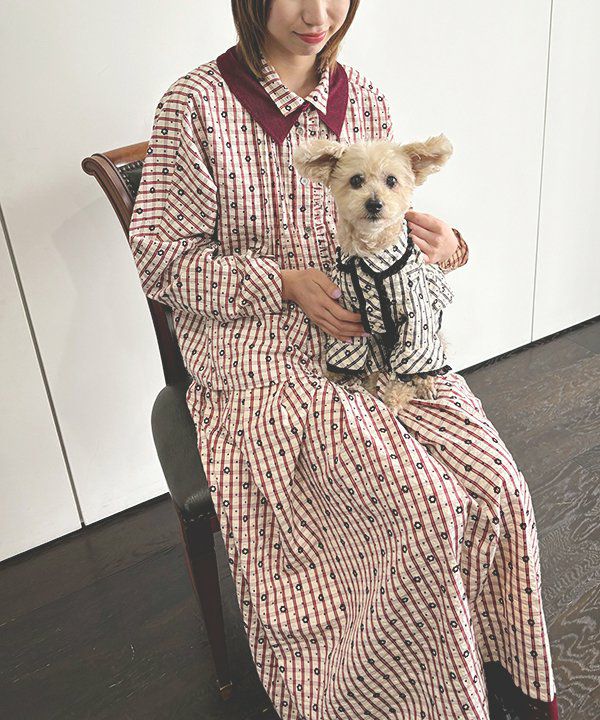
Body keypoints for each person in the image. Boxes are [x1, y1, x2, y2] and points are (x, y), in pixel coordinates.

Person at [127, 1, 559, 718]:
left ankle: (495, 669)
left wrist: (451, 246)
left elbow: (383, 222)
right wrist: (282, 282)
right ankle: (412, 696)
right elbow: (160, 261)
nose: (318, 12)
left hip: (379, 340)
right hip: (262, 353)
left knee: (501, 490)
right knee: (427, 509)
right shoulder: (195, 104)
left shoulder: (363, 98)